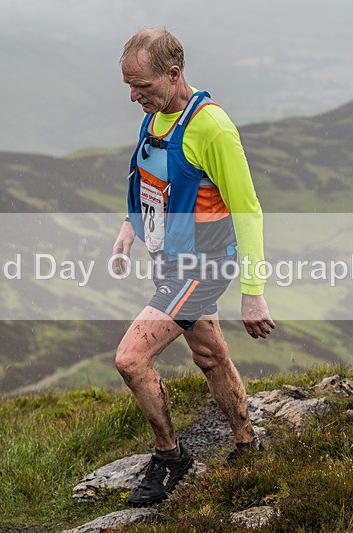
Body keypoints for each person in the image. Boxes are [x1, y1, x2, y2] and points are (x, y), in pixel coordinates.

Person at [112, 28, 276, 507]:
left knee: (131, 359)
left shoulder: (212, 128)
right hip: (170, 261)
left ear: (173, 73)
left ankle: (170, 457)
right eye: (129, 86)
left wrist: (253, 291)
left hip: (202, 267)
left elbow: (248, 210)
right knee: (209, 356)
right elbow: (151, 181)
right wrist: (129, 227)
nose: (133, 96)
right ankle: (247, 445)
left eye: (141, 86)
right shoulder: (156, 114)